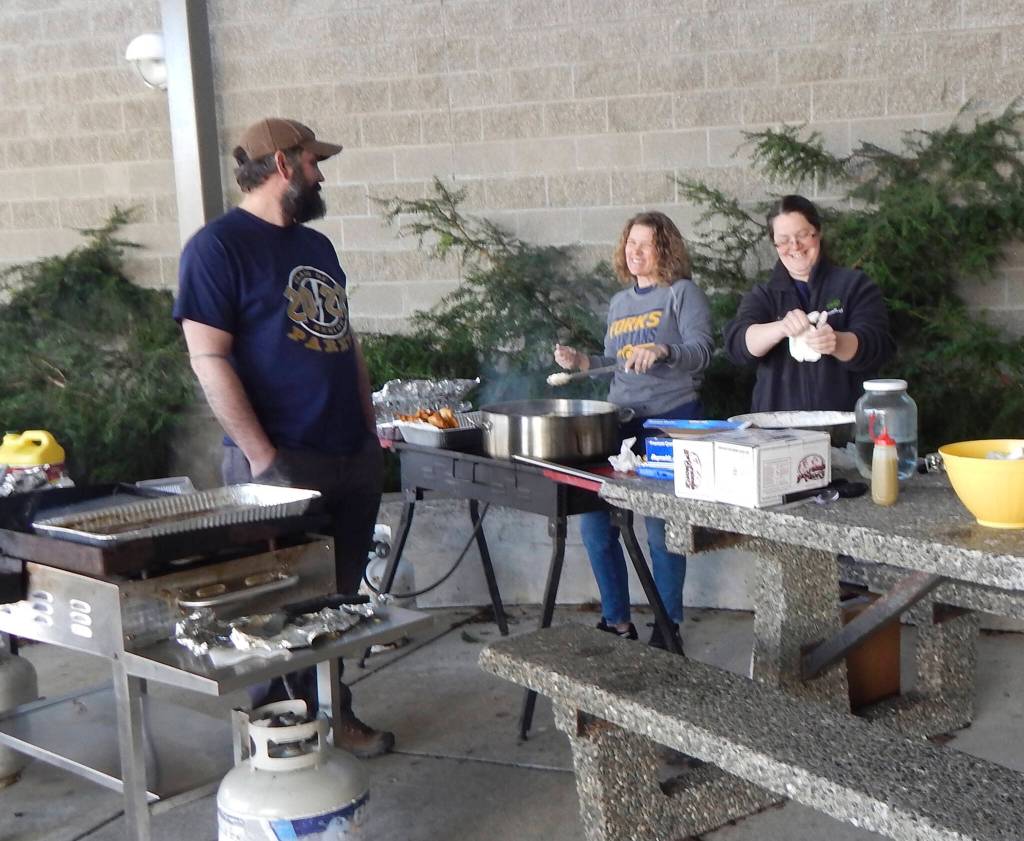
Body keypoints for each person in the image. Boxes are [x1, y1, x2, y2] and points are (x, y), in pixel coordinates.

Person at [173, 117, 392, 758]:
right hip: (277, 462)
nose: (321, 172)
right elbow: (208, 359)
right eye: (313, 160)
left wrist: (368, 429)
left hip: (349, 453)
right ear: (281, 163)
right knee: (274, 612)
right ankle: (281, 737)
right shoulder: (217, 248)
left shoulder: (317, 248)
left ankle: (334, 710)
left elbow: (345, 344)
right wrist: (263, 458)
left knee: (337, 601)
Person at [553, 212, 713, 650]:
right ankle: (617, 620)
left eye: (646, 244)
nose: (635, 251)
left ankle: (668, 624)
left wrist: (663, 349)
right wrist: (583, 364)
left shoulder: (683, 294)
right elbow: (614, 362)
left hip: (669, 422)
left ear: (666, 249)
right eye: (630, 243)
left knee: (662, 529)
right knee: (594, 522)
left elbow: (701, 352)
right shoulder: (620, 303)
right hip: (619, 423)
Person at [723, 194, 895, 412]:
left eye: (803, 235)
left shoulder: (854, 285)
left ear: (819, 233)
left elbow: (878, 346)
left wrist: (837, 343)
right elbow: (738, 345)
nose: (794, 246)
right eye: (783, 240)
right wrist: (781, 328)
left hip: (846, 428)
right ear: (774, 244)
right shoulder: (763, 295)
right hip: (778, 432)